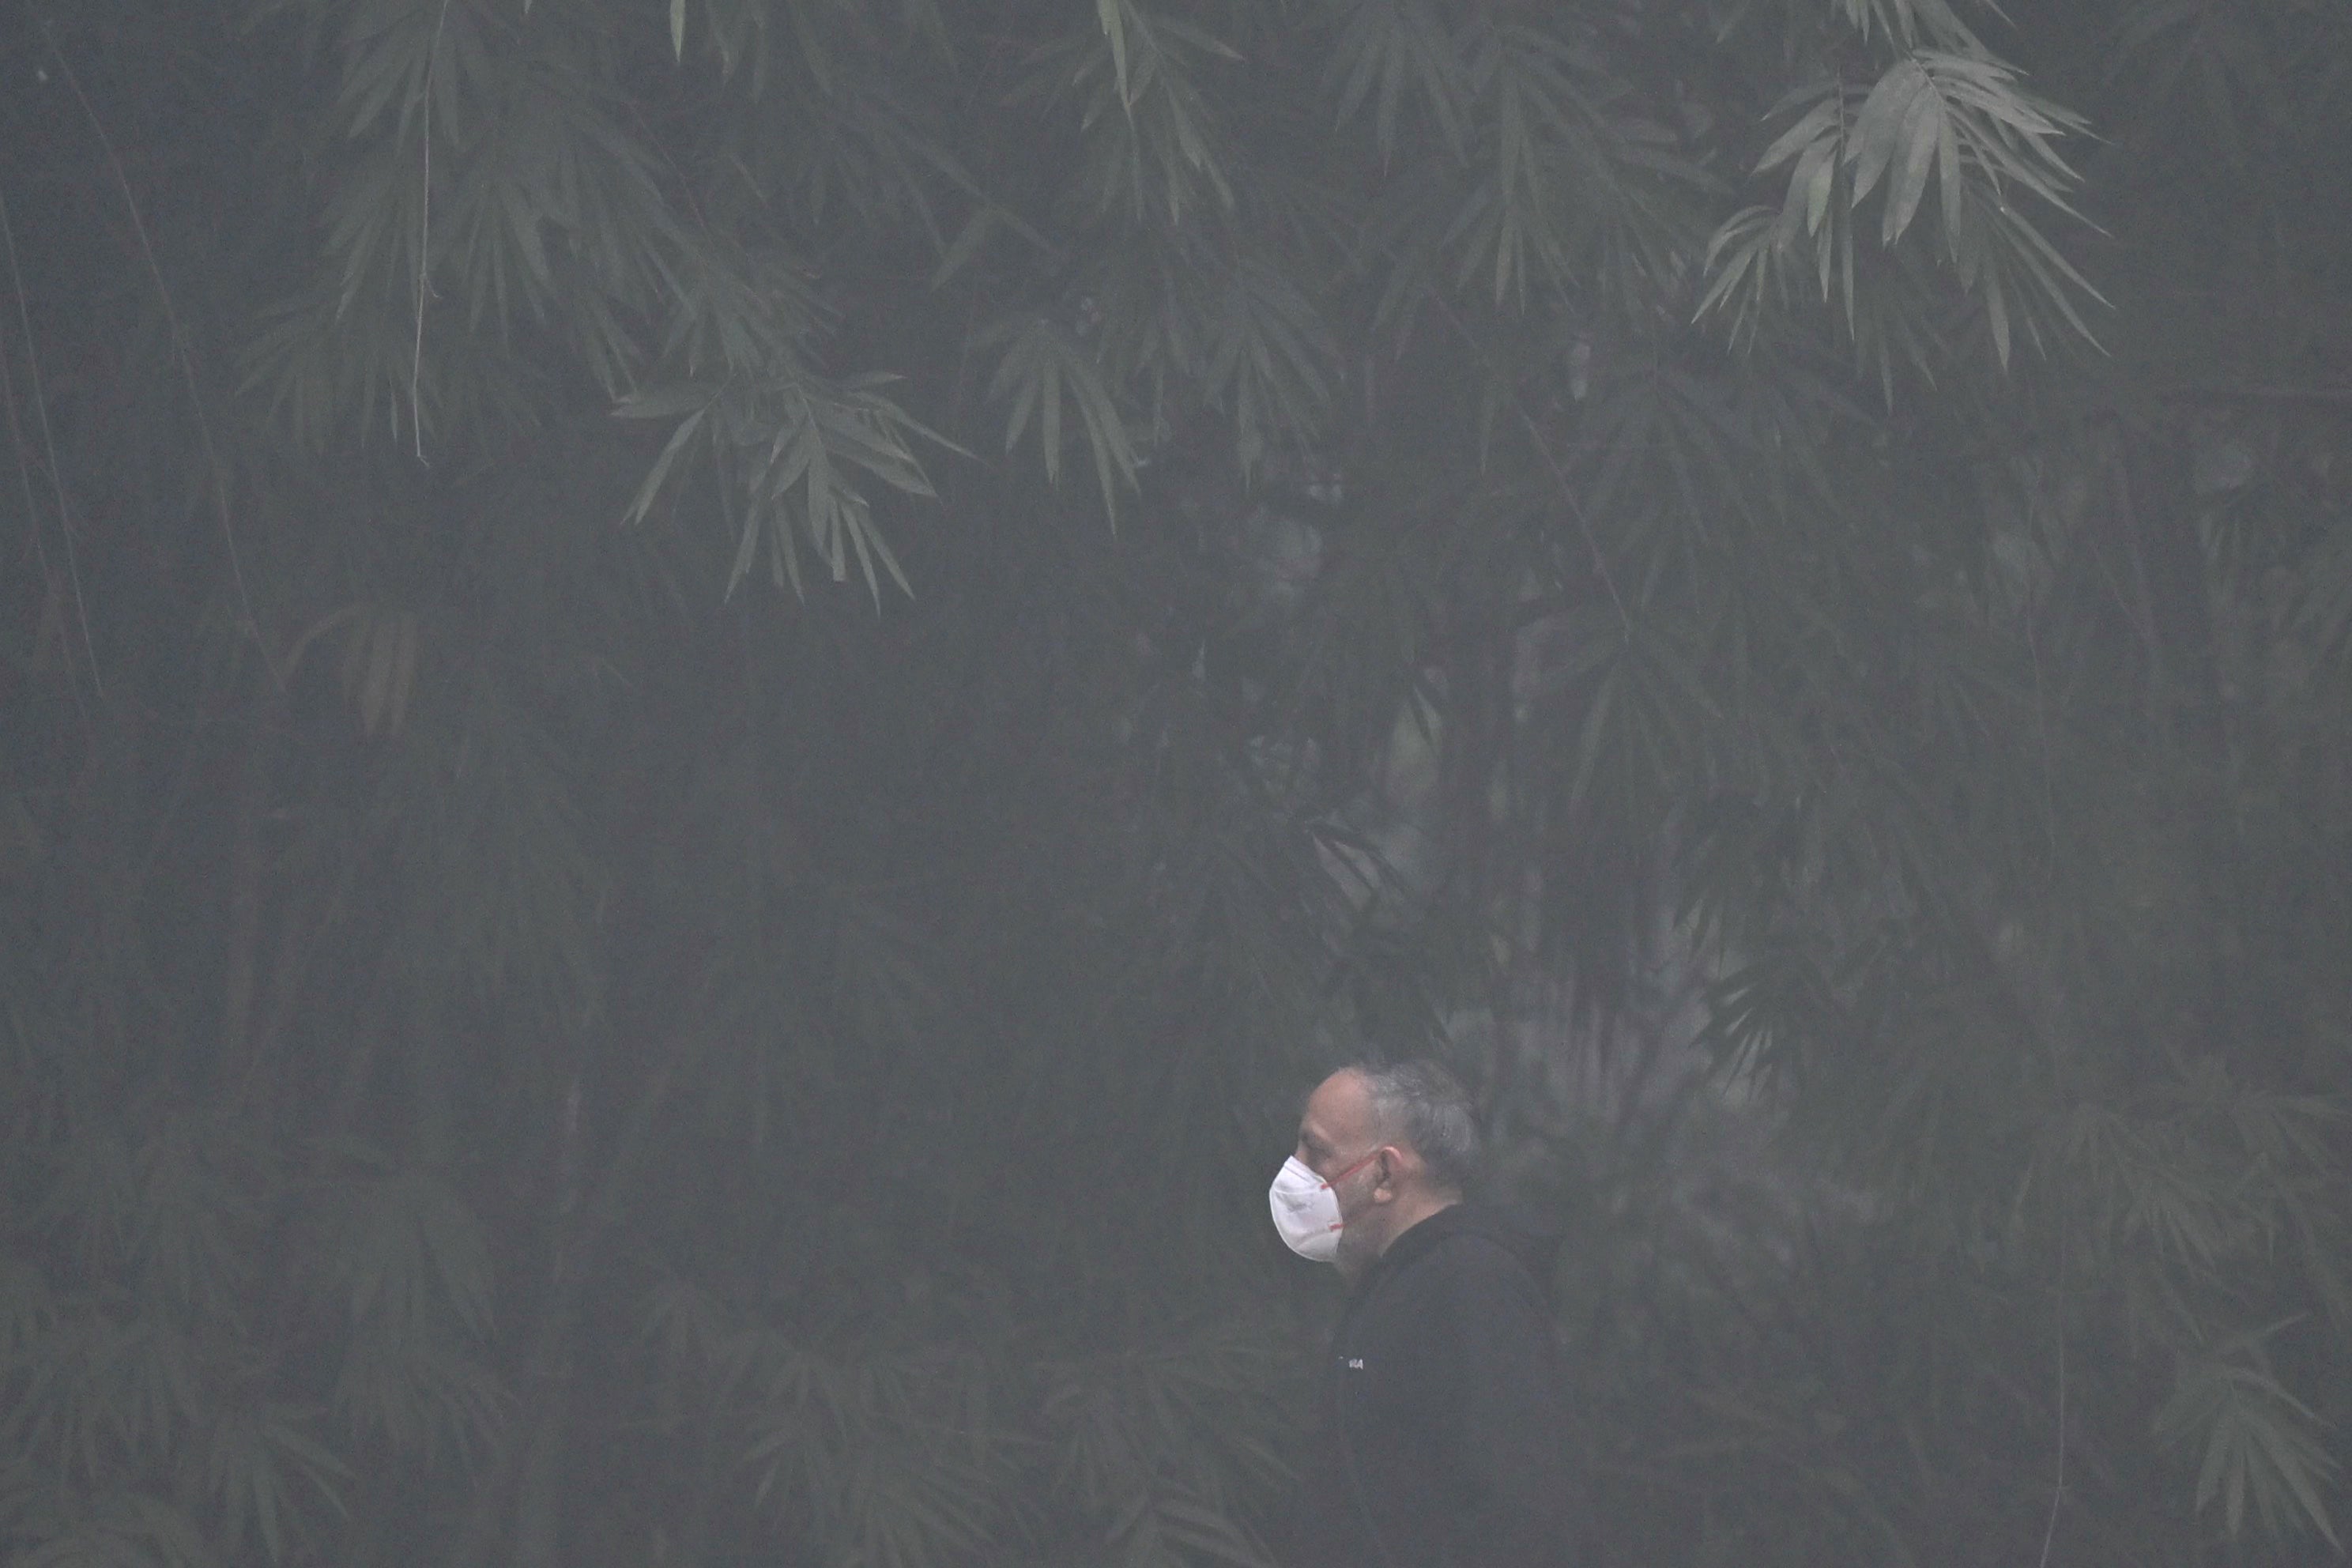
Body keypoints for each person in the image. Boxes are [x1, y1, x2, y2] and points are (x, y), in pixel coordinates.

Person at [1268, 1061, 1574, 1568]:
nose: (1294, 1168)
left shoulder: (1471, 1284)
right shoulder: (1402, 1285)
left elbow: (1520, 1508)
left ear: (1385, 1173)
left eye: (1317, 1152)